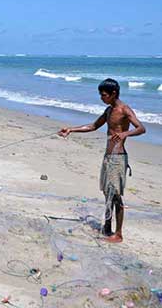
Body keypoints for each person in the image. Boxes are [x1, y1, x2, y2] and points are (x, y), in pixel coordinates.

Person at [58, 78, 145, 243]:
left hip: (118, 157)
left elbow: (141, 128)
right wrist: (70, 129)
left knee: (116, 195)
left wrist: (126, 134)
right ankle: (107, 226)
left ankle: (118, 234)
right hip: (108, 156)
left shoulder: (124, 109)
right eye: (100, 94)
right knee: (107, 193)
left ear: (113, 94)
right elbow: (92, 126)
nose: (101, 97)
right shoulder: (108, 111)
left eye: (103, 94)